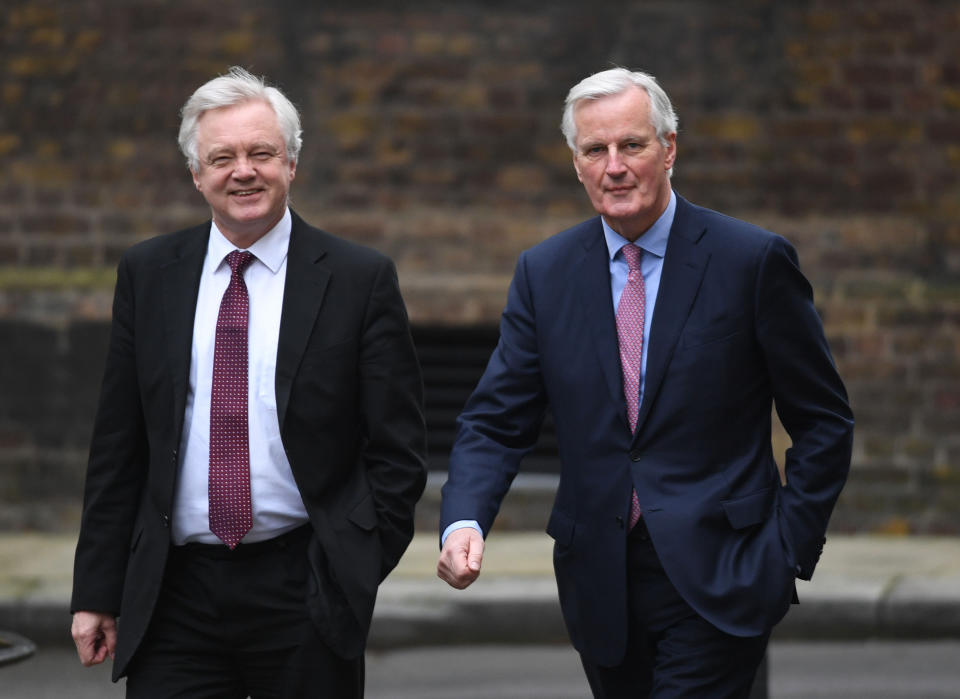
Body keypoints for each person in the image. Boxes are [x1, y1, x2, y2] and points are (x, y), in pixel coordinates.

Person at [437, 67, 853, 697]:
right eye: (594, 150)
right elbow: (495, 420)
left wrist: (787, 548)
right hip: (600, 580)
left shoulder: (751, 261)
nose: (614, 166)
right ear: (575, 163)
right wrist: (463, 520)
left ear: (670, 148)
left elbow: (823, 419)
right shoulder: (544, 274)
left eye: (632, 145)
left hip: (725, 570)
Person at [70, 66, 427, 698]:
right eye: (223, 157)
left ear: (291, 163)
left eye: (261, 153)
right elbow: (118, 447)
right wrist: (97, 590)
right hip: (175, 591)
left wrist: (353, 565)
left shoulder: (357, 279)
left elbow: (396, 450)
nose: (244, 171)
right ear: (195, 174)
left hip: (303, 586)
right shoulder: (150, 274)